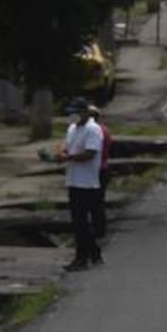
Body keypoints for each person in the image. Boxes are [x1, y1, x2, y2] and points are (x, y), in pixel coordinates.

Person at [59, 98, 104, 270]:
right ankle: (94, 253)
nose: (73, 116)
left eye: (75, 113)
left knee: (81, 223)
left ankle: (81, 259)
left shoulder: (93, 129)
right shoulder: (73, 128)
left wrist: (68, 157)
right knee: (79, 222)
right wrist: (62, 152)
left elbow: (90, 153)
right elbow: (66, 145)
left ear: (85, 112)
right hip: (73, 180)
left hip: (87, 183)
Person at [88, 103, 111, 261]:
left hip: (97, 169)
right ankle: (99, 228)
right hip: (102, 168)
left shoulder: (97, 131)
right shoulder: (103, 129)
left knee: (95, 202)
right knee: (98, 201)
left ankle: (98, 230)